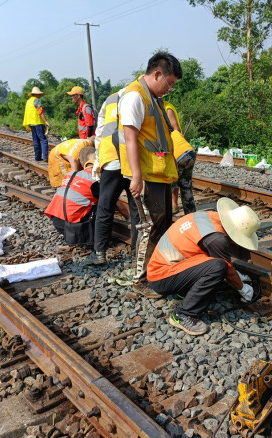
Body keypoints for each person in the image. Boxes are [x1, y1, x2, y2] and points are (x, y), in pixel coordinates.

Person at [117, 51, 182, 298]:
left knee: (162, 225)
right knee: (149, 228)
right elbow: (131, 139)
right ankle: (140, 280)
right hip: (145, 176)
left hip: (159, 175)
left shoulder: (154, 99)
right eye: (170, 83)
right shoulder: (135, 96)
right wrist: (136, 177)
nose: (170, 89)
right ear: (157, 74)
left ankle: (156, 272)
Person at [147, 198, 258, 335]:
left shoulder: (209, 216)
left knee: (215, 265)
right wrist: (243, 289)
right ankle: (182, 314)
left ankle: (186, 293)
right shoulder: (217, 240)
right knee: (217, 267)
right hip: (161, 277)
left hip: (165, 269)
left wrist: (238, 277)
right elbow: (226, 267)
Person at [91, 88, 140, 266]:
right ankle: (137, 255)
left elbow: (100, 132)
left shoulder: (109, 100)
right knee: (136, 210)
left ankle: (99, 253)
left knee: (105, 207)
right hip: (132, 159)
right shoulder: (139, 96)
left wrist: (98, 160)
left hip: (110, 158)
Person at [44, 147, 98, 245]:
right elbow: (117, 204)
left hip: (57, 223)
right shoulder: (95, 180)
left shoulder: (69, 175)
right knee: (102, 201)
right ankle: (93, 238)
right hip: (75, 228)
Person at [164, 100, 197, 215]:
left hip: (178, 156)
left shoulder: (165, 136)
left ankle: (169, 211)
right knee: (186, 186)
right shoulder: (174, 134)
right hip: (190, 153)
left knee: (170, 183)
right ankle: (191, 215)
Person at [23, 86, 50, 162]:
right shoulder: (37, 100)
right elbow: (40, 111)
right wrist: (45, 121)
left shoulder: (28, 101)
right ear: (36, 94)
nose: (40, 96)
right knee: (44, 140)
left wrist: (26, 124)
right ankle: (45, 157)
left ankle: (37, 157)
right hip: (37, 122)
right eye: (39, 94)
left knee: (36, 141)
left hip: (31, 123)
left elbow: (27, 113)